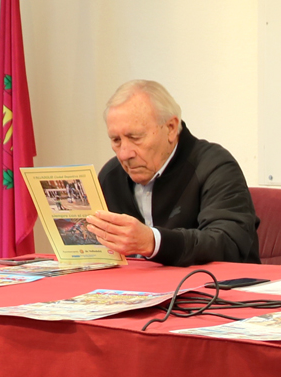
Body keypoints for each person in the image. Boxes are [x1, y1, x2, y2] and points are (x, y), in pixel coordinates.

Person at [87, 81, 258, 266]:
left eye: (135, 138)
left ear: (170, 128)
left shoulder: (215, 166)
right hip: (134, 284)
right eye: (116, 140)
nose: (124, 154)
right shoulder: (111, 176)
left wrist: (153, 243)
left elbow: (227, 244)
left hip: (214, 283)